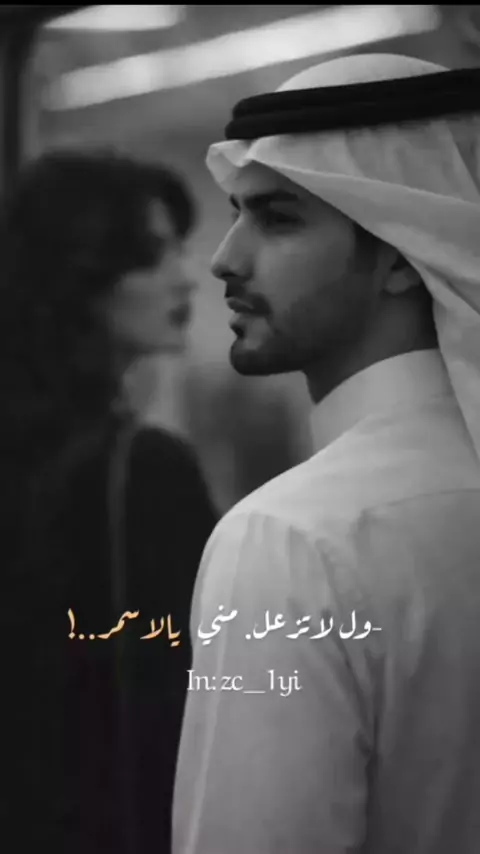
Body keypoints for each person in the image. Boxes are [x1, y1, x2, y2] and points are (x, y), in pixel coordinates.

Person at [172, 54, 480, 854]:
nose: (225, 258)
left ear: (402, 254)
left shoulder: (289, 541)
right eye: (235, 214)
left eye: (278, 218)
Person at [0, 149, 217, 853]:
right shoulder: (141, 470)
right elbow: (181, 717)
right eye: (151, 256)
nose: (187, 276)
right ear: (79, 276)